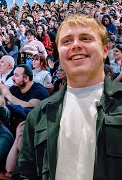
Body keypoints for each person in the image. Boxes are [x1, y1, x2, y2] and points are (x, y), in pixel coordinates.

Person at [14, 14, 122, 180]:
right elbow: (25, 174)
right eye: (67, 41)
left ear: (104, 50)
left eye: (85, 38)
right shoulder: (39, 114)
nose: (76, 45)